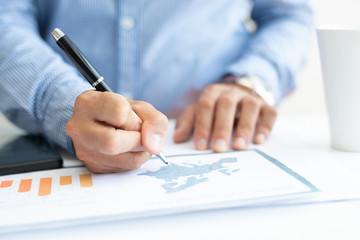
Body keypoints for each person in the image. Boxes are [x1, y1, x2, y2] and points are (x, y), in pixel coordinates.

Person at [0, 1, 313, 173]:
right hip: (57, 147)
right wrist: (67, 103)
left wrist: (250, 81)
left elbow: (289, 14)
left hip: (206, 134)